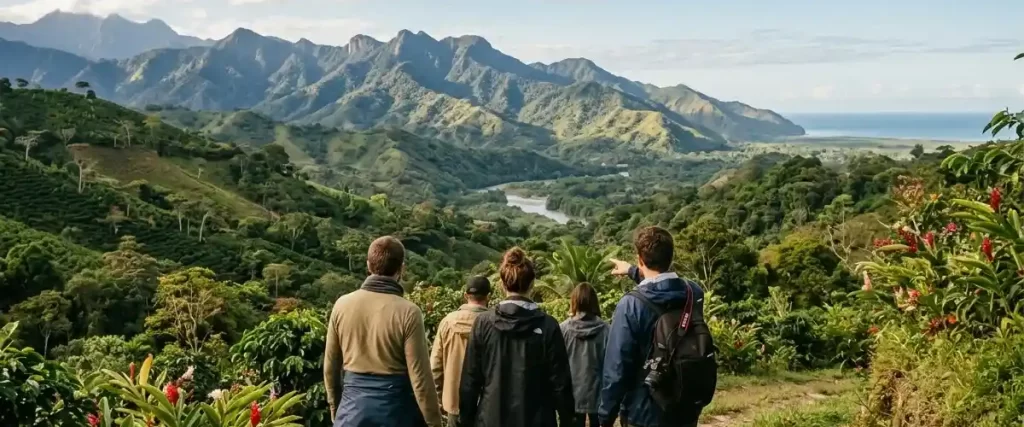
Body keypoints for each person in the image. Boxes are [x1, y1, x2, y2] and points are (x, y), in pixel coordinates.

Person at [324, 236, 443, 427]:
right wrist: (434, 423)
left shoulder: (342, 305)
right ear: (401, 269)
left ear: (368, 265)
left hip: (351, 409)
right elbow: (420, 379)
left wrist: (336, 409)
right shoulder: (409, 312)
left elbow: (330, 367)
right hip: (395, 412)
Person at [599, 226, 708, 427]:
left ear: (640, 259)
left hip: (644, 412)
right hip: (684, 405)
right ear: (671, 256)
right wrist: (633, 271)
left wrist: (605, 417)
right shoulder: (694, 293)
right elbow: (663, 292)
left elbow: (617, 368)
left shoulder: (630, 305)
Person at [459, 247, 575, 427]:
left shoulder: (483, 323)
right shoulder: (548, 326)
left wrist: (466, 420)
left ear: (502, 284)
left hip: (491, 418)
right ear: (532, 284)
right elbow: (561, 385)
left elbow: (470, 381)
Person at [430, 276, 492, 427]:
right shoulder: (494, 324)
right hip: (487, 404)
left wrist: (440, 400)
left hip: (454, 402)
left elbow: (435, 368)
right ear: (488, 296)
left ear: (465, 296)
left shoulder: (448, 322)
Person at [560, 282, 610, 427]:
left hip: (571, 395)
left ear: (574, 301)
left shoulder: (563, 329)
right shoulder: (606, 330)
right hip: (599, 395)